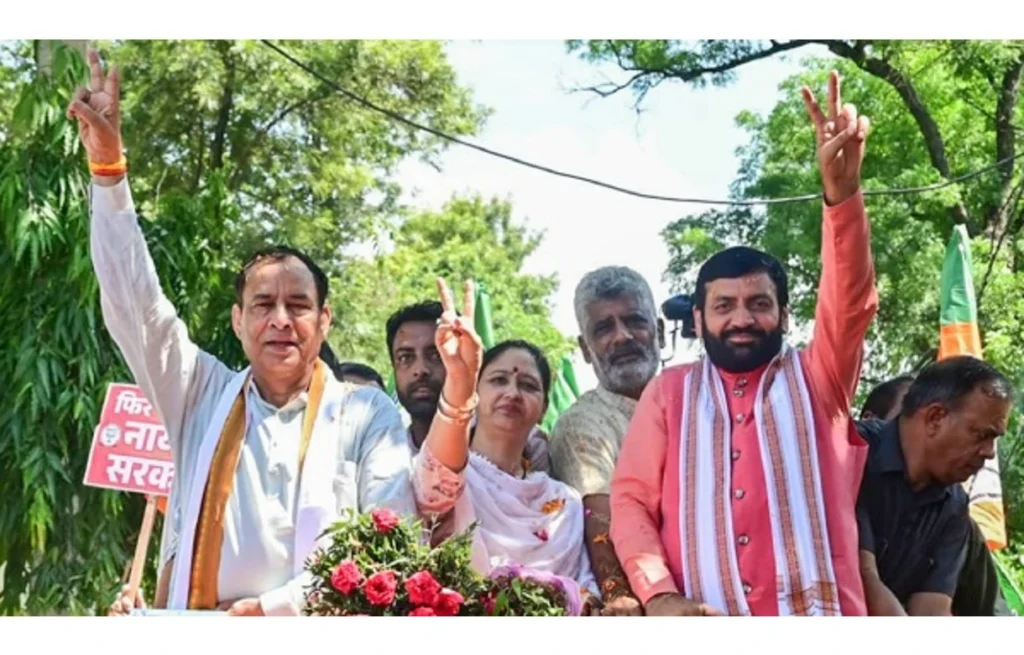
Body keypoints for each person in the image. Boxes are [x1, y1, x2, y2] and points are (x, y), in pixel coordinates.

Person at [71, 50, 455, 616]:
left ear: (324, 321)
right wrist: (108, 175)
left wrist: (276, 609)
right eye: (263, 305)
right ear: (238, 321)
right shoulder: (198, 393)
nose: (280, 319)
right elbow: (136, 306)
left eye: (298, 305)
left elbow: (388, 536)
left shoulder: (366, 413)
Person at [610, 71, 876, 616]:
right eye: (724, 306)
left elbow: (850, 302)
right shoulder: (669, 394)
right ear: (699, 319)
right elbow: (631, 500)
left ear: (783, 314)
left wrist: (842, 195)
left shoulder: (820, 378)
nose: (742, 319)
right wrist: (658, 594)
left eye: (758, 303)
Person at [405, 282, 598, 611]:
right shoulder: (453, 480)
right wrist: (459, 378)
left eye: (528, 385)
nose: (512, 393)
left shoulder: (565, 503)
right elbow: (437, 482)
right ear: (476, 393)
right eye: (498, 380)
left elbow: (586, 589)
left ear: (543, 407)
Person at [856, 357, 1013, 615]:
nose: (989, 453)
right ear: (935, 418)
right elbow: (859, 578)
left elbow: (931, 611)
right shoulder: (851, 452)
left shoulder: (955, 505)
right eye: (982, 435)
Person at [549, 266, 662, 615]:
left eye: (635, 321)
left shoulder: (694, 398)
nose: (622, 337)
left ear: (659, 331)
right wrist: (619, 595)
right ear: (585, 349)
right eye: (603, 328)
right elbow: (597, 517)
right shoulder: (583, 424)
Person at [386, 300, 549, 470]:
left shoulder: (524, 444)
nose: (420, 370)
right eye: (405, 358)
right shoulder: (386, 457)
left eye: (436, 355)